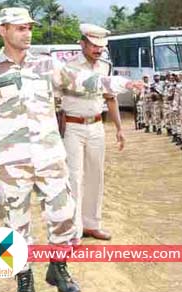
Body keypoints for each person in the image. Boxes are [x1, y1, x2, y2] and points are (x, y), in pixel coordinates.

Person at [0, 7, 81, 292]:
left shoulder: (46, 65)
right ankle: (24, 279)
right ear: (3, 31)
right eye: (20, 28)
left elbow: (83, 82)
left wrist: (121, 83)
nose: (27, 33)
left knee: (64, 215)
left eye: (29, 28)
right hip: (9, 162)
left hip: (49, 156)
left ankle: (58, 266)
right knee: (14, 225)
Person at [59, 23, 131, 241]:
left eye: (101, 46)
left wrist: (119, 128)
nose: (98, 50)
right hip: (73, 126)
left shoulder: (105, 67)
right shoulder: (68, 66)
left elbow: (111, 98)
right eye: (93, 45)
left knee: (95, 177)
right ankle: (74, 229)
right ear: (82, 43)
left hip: (97, 126)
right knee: (74, 177)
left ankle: (92, 224)